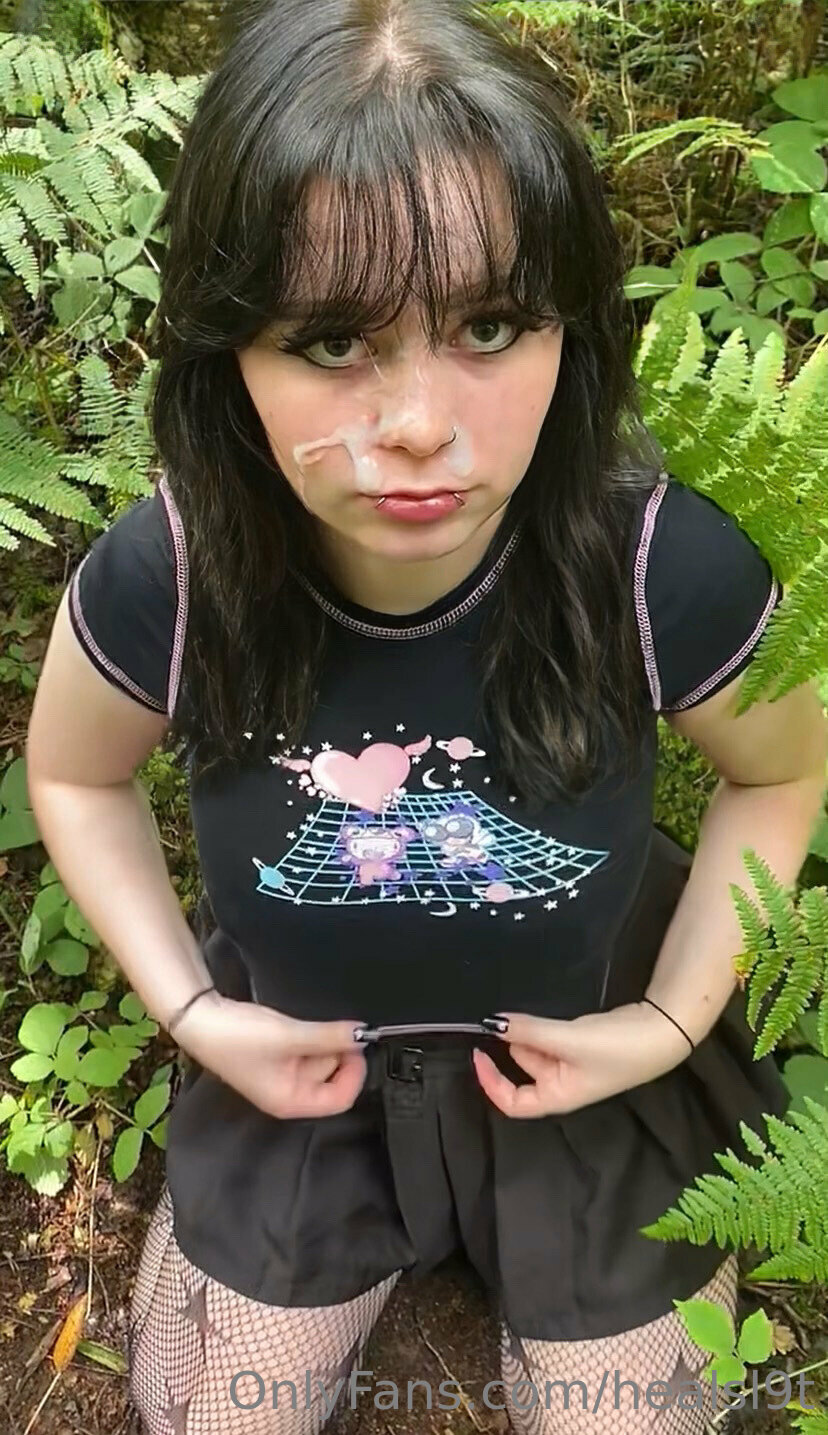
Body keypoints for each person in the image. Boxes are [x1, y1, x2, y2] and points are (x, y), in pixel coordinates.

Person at [25, 1, 828, 1432]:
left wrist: (668, 1019)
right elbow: (77, 777)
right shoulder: (181, 571)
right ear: (226, 347)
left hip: (584, 1058)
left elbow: (779, 771)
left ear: (572, 324)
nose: (413, 422)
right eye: (333, 337)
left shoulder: (654, 561)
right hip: (300, 1064)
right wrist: (195, 1013)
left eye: (489, 325)